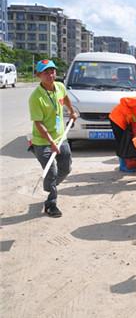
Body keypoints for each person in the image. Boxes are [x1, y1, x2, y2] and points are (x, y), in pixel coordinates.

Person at [29, 59, 78, 217]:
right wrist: (51, 143)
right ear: (38, 75)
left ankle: (49, 186)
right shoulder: (36, 98)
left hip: (60, 137)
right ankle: (51, 203)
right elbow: (39, 124)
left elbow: (65, 98)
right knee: (51, 171)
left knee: (66, 168)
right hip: (43, 141)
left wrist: (71, 111)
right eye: (46, 72)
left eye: (52, 71)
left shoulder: (60, 87)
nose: (50, 75)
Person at [109, 97, 136, 172]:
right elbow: (123, 100)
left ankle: (124, 165)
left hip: (123, 121)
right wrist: (128, 115)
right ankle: (122, 166)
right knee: (122, 143)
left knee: (123, 143)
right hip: (117, 120)